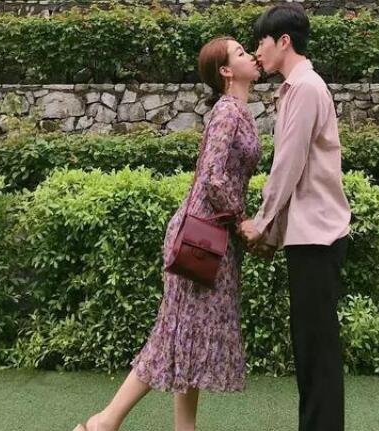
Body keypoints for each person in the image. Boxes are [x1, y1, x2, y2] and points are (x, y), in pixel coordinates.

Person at [73, 36, 262, 431]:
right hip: (202, 239)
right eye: (241, 53)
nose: (251, 56)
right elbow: (212, 177)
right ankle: (104, 422)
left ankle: (171, 427)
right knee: (175, 332)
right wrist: (241, 220)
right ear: (226, 71)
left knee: (187, 333)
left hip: (212, 237)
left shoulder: (238, 111)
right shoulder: (227, 112)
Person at [239, 5, 352, 431]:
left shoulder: (304, 88)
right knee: (311, 349)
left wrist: (261, 222)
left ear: (283, 41)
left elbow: (288, 165)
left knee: (316, 351)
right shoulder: (296, 88)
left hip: (317, 237)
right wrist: (272, 231)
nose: (257, 51)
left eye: (262, 42)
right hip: (310, 236)